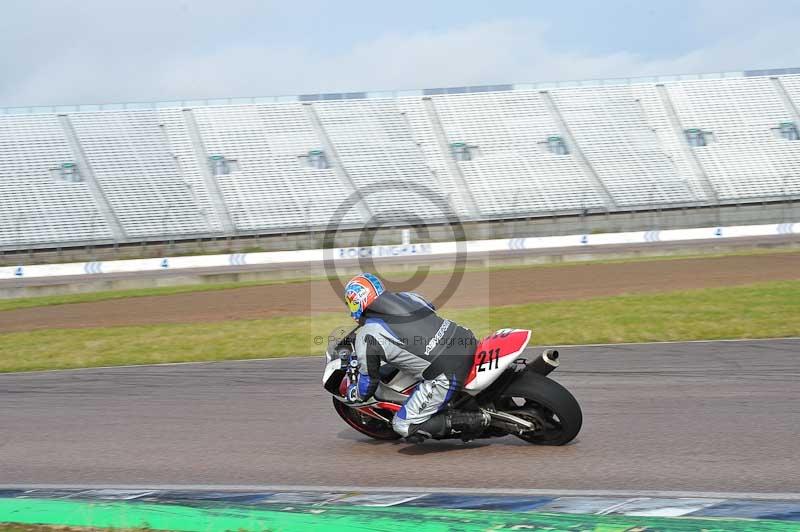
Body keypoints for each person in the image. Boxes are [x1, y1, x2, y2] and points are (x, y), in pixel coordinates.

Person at [342, 273, 490, 442]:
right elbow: (430, 308)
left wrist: (353, 393)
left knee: (402, 425)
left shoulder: (368, 335)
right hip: (467, 339)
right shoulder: (408, 297)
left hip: (448, 371)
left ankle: (475, 420)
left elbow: (368, 385)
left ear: (356, 303)